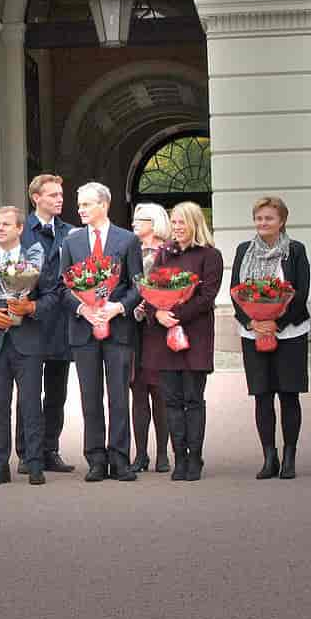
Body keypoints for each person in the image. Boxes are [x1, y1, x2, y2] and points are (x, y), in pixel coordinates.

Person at [58, 182, 144, 482]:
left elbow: (138, 286)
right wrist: (84, 309)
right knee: (89, 396)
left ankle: (120, 458)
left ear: (103, 205)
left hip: (118, 328)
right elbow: (62, 287)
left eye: (86, 204)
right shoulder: (71, 242)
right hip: (83, 330)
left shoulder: (128, 240)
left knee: (119, 396)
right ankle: (95, 458)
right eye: (79, 205)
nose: (80, 210)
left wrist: (116, 307)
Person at [0, 206, 59, 485]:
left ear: (20, 229)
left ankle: (34, 464)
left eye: (6, 224)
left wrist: (30, 306)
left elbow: (52, 297)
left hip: (28, 343)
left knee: (31, 405)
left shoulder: (34, 260)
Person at [142, 202, 223, 482]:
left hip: (195, 335)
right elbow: (150, 290)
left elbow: (206, 297)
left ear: (194, 223)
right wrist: (158, 313)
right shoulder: (164, 254)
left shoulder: (210, 256)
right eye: (173, 222)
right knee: (171, 400)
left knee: (192, 398)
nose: (176, 227)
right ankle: (180, 458)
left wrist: (174, 315)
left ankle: (194, 458)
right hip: (164, 337)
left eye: (181, 222)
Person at [232, 196, 311, 480]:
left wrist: (276, 323)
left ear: (282, 221)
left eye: (269, 218)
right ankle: (269, 456)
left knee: (289, 395)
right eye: (259, 218)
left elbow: (301, 293)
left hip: (289, 333)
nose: (263, 223)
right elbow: (235, 292)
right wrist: (252, 321)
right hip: (253, 333)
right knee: (262, 396)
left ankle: (290, 456)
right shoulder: (243, 250)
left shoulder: (295, 251)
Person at [20, 173, 76, 473]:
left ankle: (50, 449)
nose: (59, 199)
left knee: (57, 391)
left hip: (61, 321)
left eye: (60, 194)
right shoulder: (21, 229)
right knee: (28, 390)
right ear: (36, 198)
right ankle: (27, 453)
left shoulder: (71, 232)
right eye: (52, 195)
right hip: (29, 318)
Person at [130, 202, 172, 473]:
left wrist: (158, 306)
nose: (134, 223)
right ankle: (141, 454)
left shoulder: (169, 253)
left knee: (160, 391)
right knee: (138, 391)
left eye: (139, 219)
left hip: (160, 329)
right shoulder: (129, 250)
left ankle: (162, 455)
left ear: (154, 222)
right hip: (135, 329)